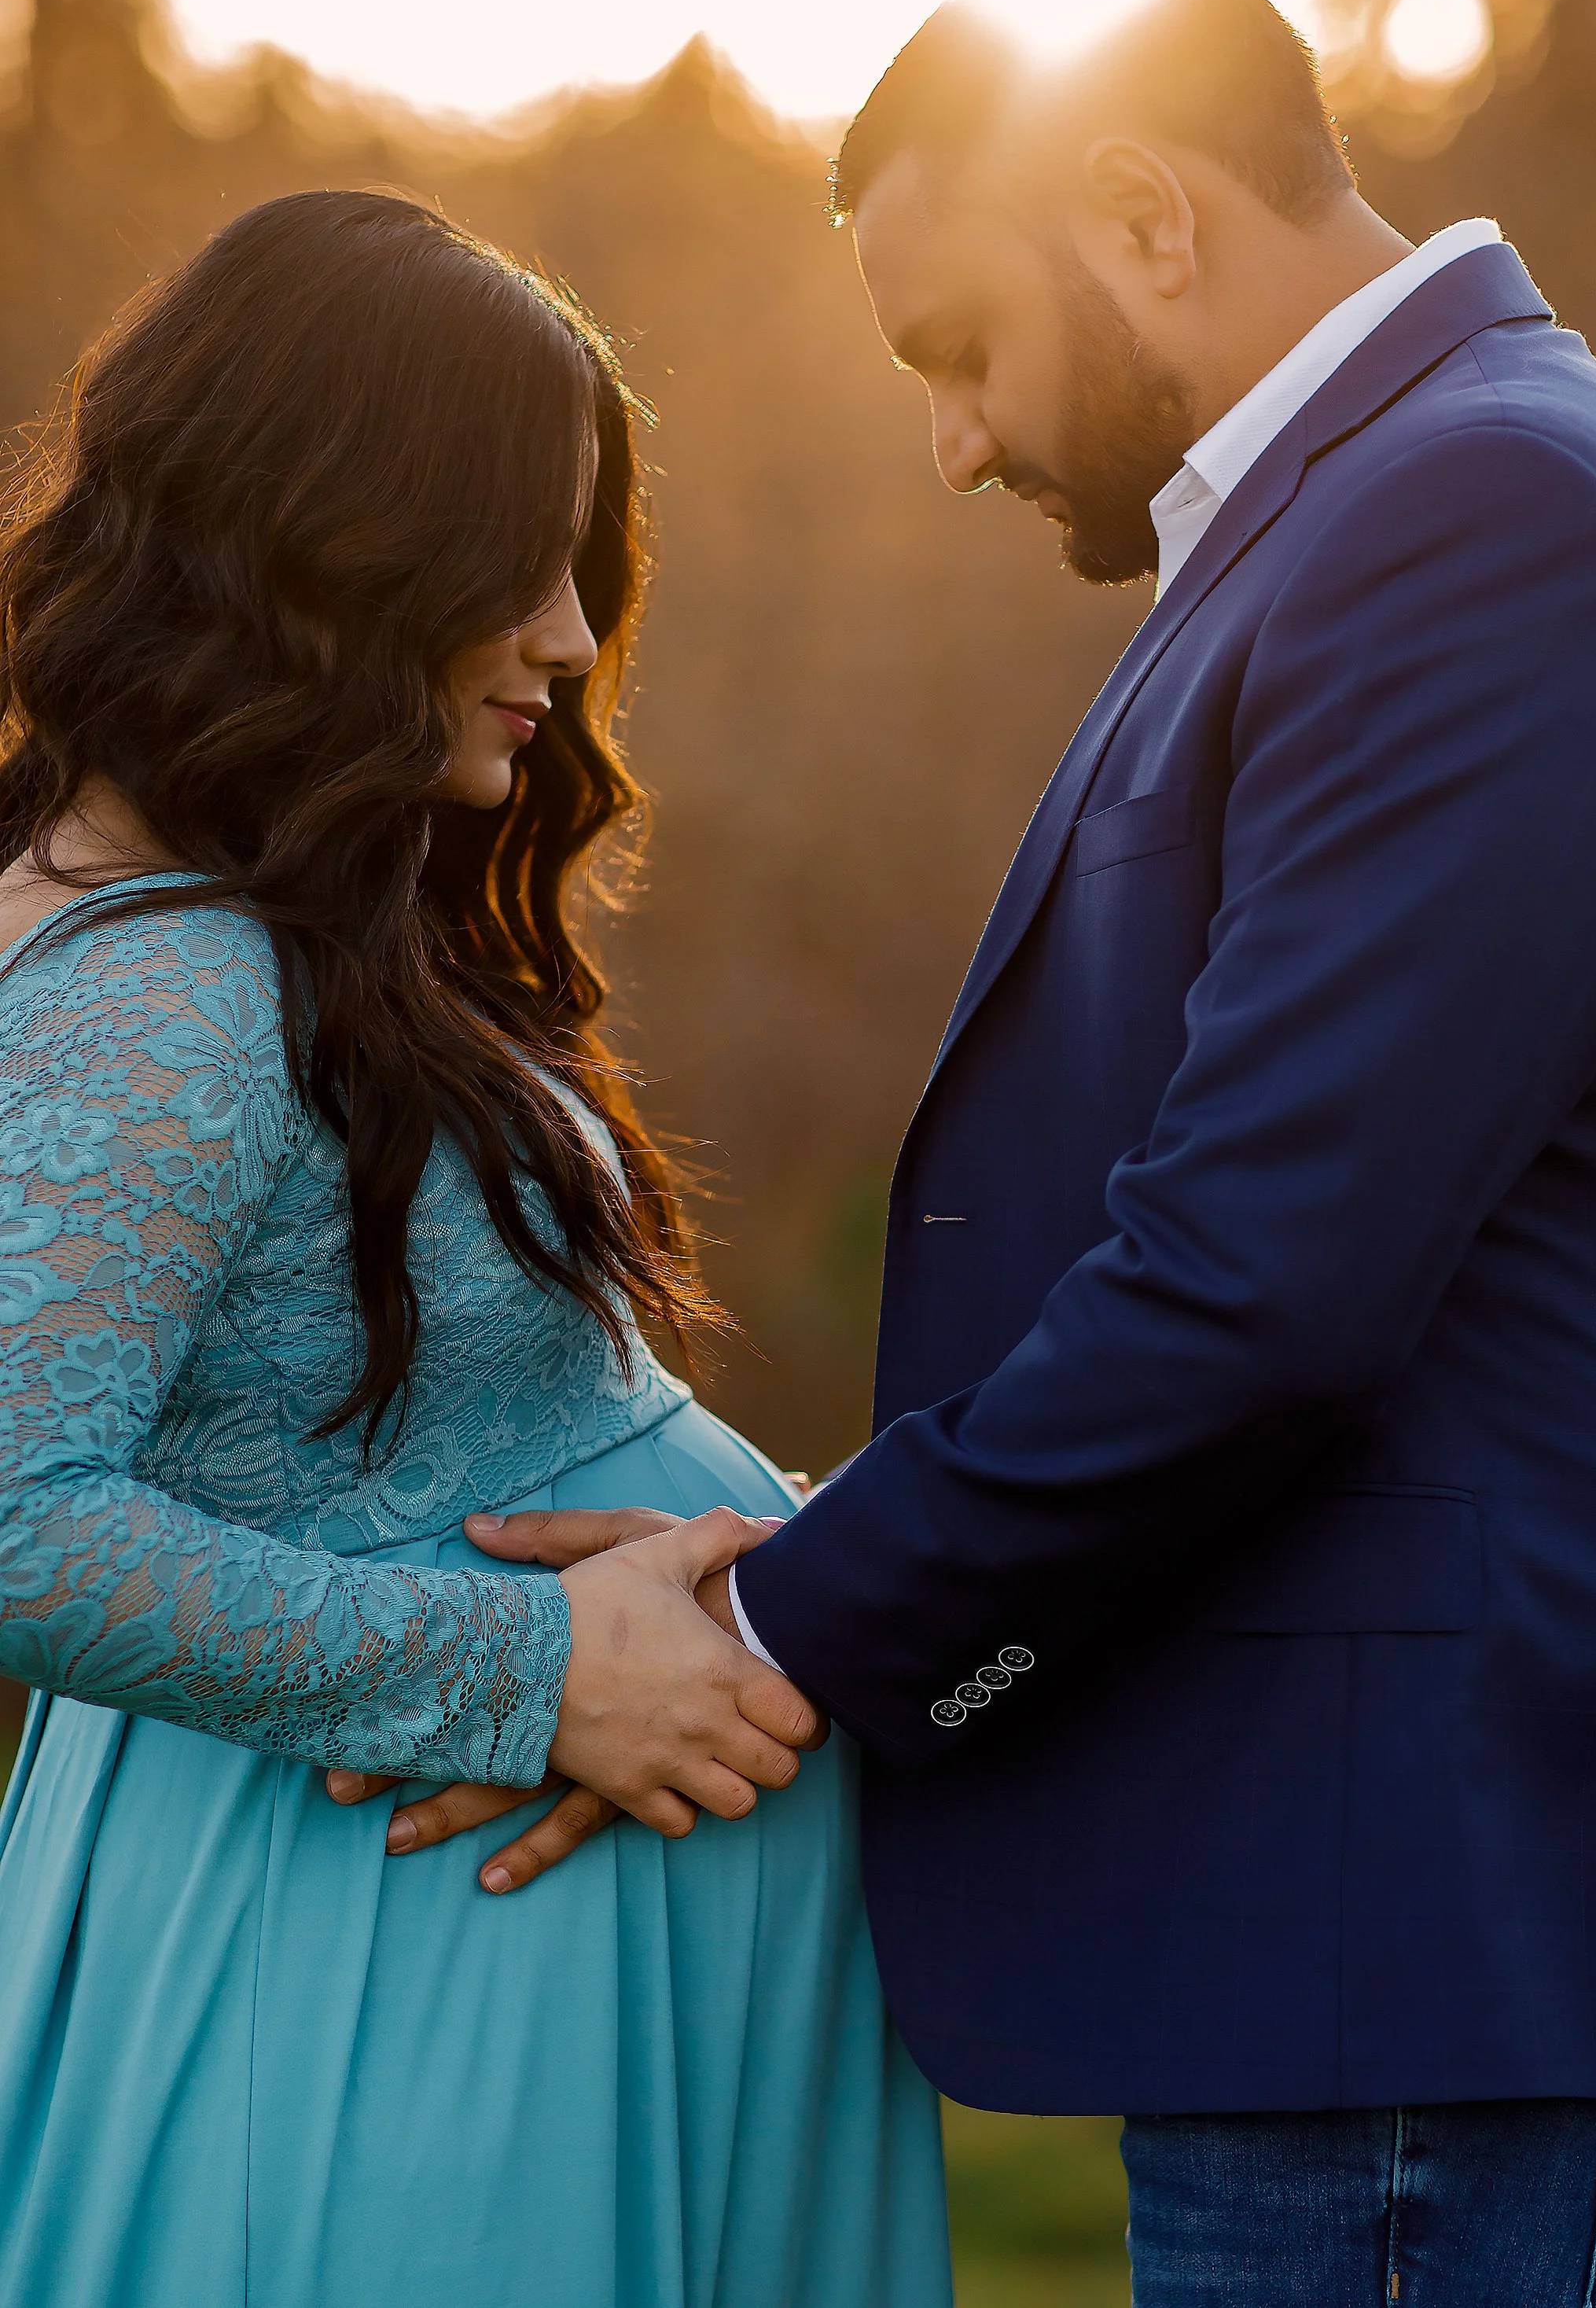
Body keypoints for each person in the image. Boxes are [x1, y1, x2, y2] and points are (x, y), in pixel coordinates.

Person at [408, 0, 1596, 2305]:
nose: (954, 445)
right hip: (1350, 1951)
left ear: (1142, 214)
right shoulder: (1388, 510)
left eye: (955, 346)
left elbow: (1265, 1288)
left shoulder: (1478, 515)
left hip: (1405, 1959)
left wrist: (769, 1621)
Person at [0, 190, 949, 2308]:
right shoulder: (153, 981)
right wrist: (534, 1672)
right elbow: (13, 1518)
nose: (569, 640)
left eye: (581, 566)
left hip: (505, 1952)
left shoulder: (296, 922)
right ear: (325, 539)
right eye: (515, 569)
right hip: (383, 1973)